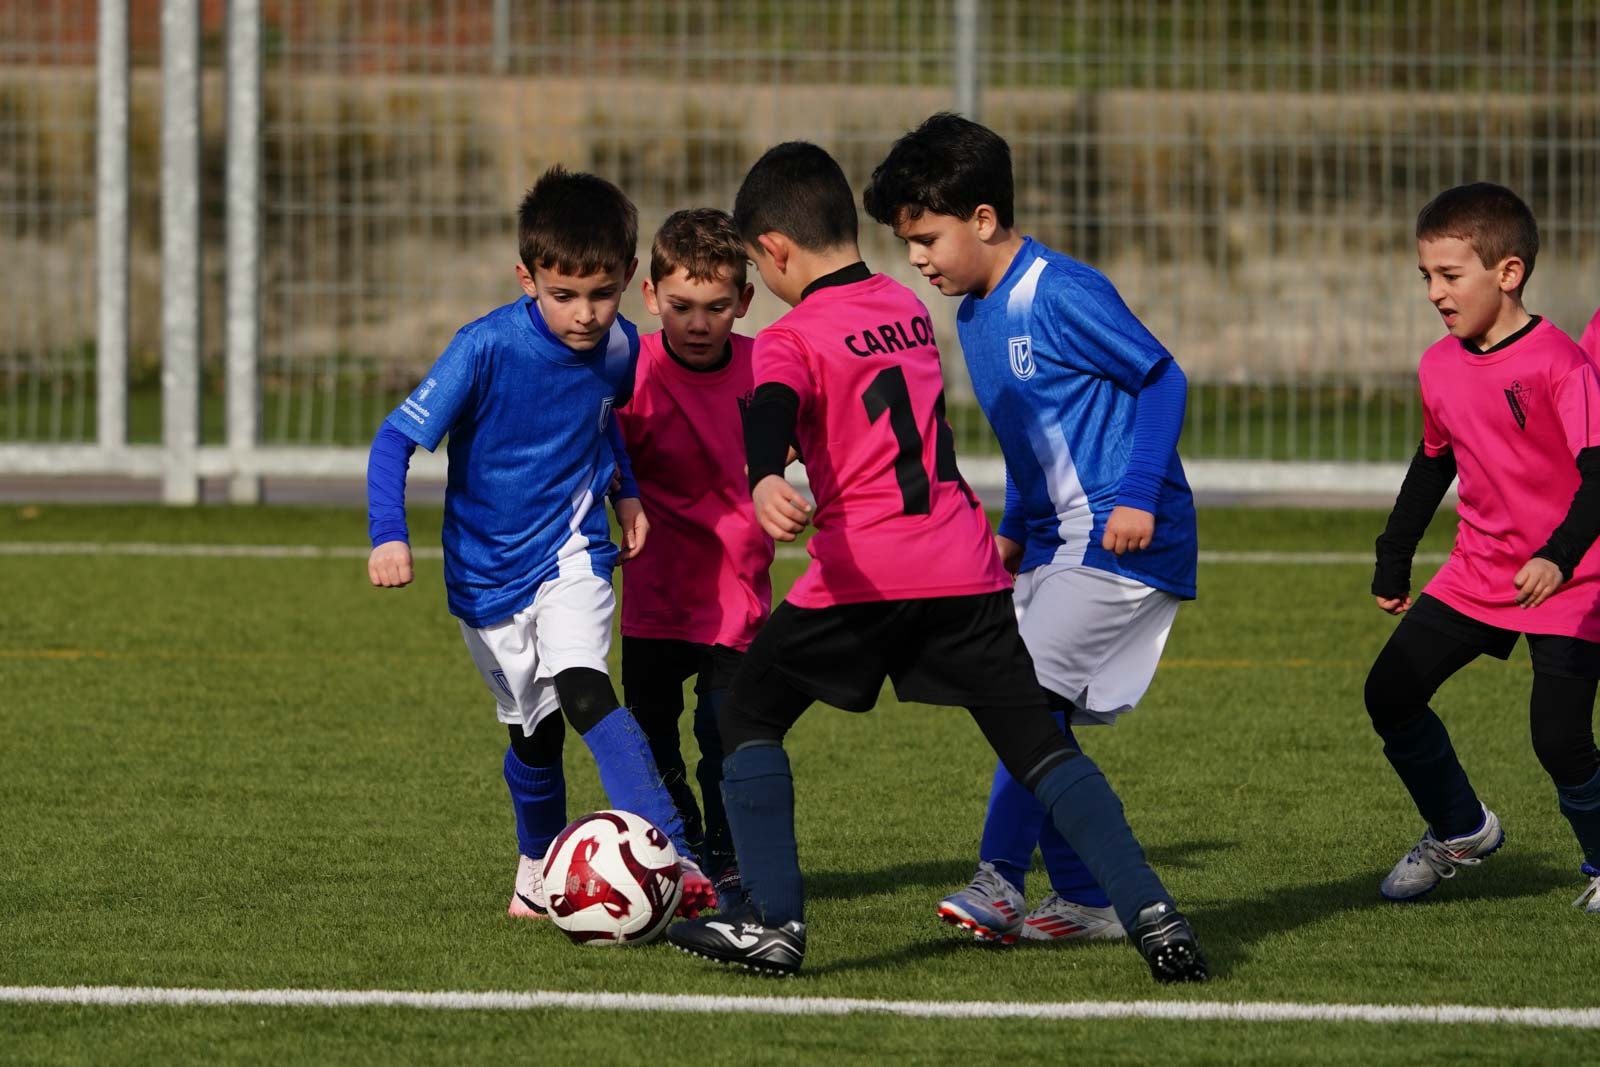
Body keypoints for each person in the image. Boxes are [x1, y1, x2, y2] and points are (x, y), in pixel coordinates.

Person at [664, 141, 1206, 981]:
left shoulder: (787, 337)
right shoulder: (908, 311)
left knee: (748, 713)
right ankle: (1152, 912)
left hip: (864, 573)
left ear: (773, 252)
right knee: (1038, 743)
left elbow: (770, 406)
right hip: (965, 565)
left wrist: (767, 474)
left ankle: (772, 924)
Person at [862, 112, 1198, 946]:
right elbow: (1030, 434)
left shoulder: (1061, 291)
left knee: (1025, 696)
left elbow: (1162, 378)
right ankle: (1086, 897)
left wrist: (1139, 493)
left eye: (929, 237)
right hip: (1054, 542)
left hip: (1123, 537)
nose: (918, 259)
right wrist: (1014, 528)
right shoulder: (976, 315)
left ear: (983, 219)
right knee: (1025, 714)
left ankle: (1000, 880)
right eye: (908, 243)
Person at [365, 166, 714, 921]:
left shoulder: (622, 346)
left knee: (586, 685)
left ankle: (677, 856)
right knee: (534, 731)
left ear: (626, 277)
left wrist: (624, 492)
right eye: (564, 295)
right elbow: (394, 440)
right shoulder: (483, 347)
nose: (585, 315)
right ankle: (537, 860)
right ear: (528, 278)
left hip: (572, 549)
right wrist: (388, 534)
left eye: (601, 293)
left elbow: (604, 421)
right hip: (484, 572)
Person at [1361, 182, 1600, 912]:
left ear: (1509, 272)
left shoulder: (1561, 362)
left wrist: (1558, 555)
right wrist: (1393, 552)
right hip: (1483, 569)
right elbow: (1435, 459)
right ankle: (1461, 827)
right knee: (1391, 692)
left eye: (1449, 275)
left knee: (1558, 739)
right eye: (1426, 276)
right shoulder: (1439, 364)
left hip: (1573, 574)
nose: (1435, 291)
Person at [613, 207, 770, 909]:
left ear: (743, 301)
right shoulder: (627, 370)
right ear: (651, 297)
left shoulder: (768, 368)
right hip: (651, 597)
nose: (699, 323)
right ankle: (677, 846)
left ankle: (730, 855)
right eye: (681, 307)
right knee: (650, 740)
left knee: (724, 737)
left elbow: (815, 433)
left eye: (715, 308)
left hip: (735, 599)